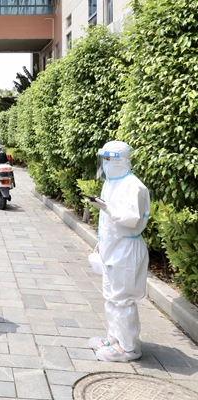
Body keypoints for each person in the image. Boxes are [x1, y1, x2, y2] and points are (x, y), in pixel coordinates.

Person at [87, 140, 150, 362]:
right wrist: (101, 243)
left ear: (120, 161)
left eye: (108, 159)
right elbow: (108, 223)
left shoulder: (134, 186)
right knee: (111, 296)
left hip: (126, 249)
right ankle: (114, 338)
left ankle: (129, 347)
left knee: (122, 299)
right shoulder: (112, 182)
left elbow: (131, 219)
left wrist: (107, 207)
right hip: (112, 247)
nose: (105, 164)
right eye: (103, 159)